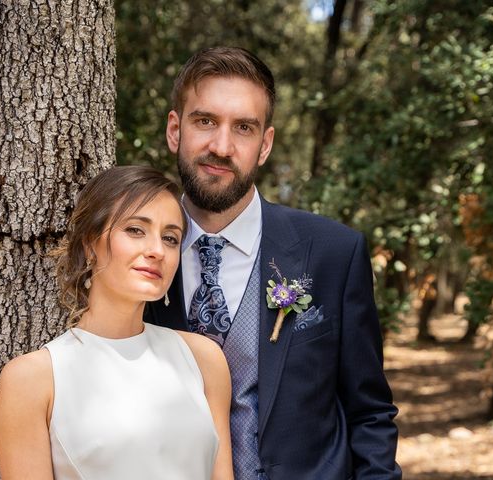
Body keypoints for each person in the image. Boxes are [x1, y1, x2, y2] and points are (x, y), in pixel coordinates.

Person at [146, 47, 402, 479]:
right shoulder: (136, 258)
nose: (221, 146)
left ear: (264, 145)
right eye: (205, 121)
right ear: (175, 130)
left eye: (243, 128)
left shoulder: (334, 253)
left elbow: (370, 413)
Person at [0, 166, 234, 480]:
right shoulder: (32, 379)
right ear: (91, 243)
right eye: (135, 230)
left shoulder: (204, 359)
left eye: (170, 238)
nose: (157, 251)